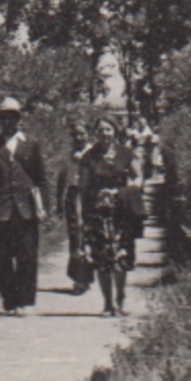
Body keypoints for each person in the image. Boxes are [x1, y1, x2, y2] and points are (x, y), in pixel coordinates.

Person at [0, 97, 47, 315]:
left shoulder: (31, 144)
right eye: (3, 118)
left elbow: (41, 178)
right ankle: (9, 298)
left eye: (11, 117)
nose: (7, 122)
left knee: (26, 256)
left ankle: (23, 302)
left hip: (25, 209)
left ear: (18, 119)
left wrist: (44, 208)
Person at [78, 116, 144, 317]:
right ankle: (107, 303)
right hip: (98, 214)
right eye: (100, 130)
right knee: (102, 259)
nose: (104, 134)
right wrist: (83, 215)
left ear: (115, 131)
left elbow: (139, 176)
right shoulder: (89, 157)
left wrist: (125, 191)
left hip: (121, 212)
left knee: (121, 256)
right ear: (95, 133)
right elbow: (83, 187)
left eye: (108, 129)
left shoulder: (126, 154)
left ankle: (121, 298)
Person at [55, 124, 94, 296]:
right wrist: (58, 202)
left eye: (82, 134)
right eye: (75, 134)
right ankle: (78, 278)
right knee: (74, 235)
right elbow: (62, 178)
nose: (78, 137)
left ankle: (85, 277)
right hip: (72, 194)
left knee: (87, 235)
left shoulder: (93, 152)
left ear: (88, 134)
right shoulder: (68, 155)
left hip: (89, 195)